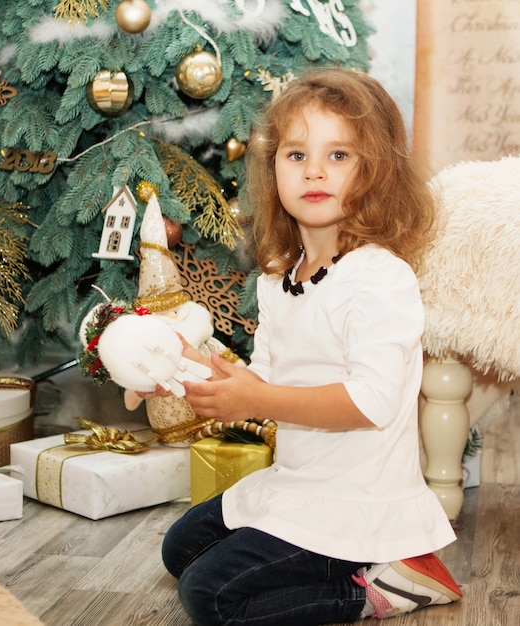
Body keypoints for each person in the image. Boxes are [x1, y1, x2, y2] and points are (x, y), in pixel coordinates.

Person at [157, 68, 463, 625]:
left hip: (355, 499)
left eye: (339, 156)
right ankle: (333, 562)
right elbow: (265, 374)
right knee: (178, 550)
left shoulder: (379, 278)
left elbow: (370, 403)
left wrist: (256, 399)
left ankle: (384, 586)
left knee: (211, 597)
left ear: (377, 172)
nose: (315, 171)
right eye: (296, 155)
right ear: (273, 168)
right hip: (298, 482)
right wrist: (196, 368)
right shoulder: (279, 278)